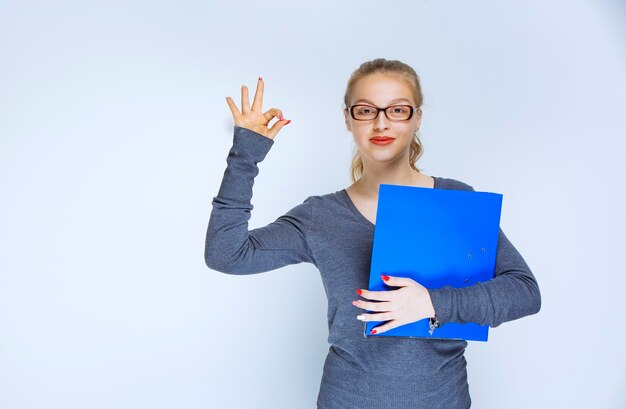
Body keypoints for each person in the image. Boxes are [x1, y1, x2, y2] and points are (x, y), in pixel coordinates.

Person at [205, 58, 541, 409]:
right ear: (348, 119)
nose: (381, 122)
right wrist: (245, 157)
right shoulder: (320, 216)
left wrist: (432, 302)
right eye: (366, 110)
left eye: (397, 110)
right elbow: (226, 254)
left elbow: (525, 291)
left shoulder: (457, 201)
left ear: (418, 118)